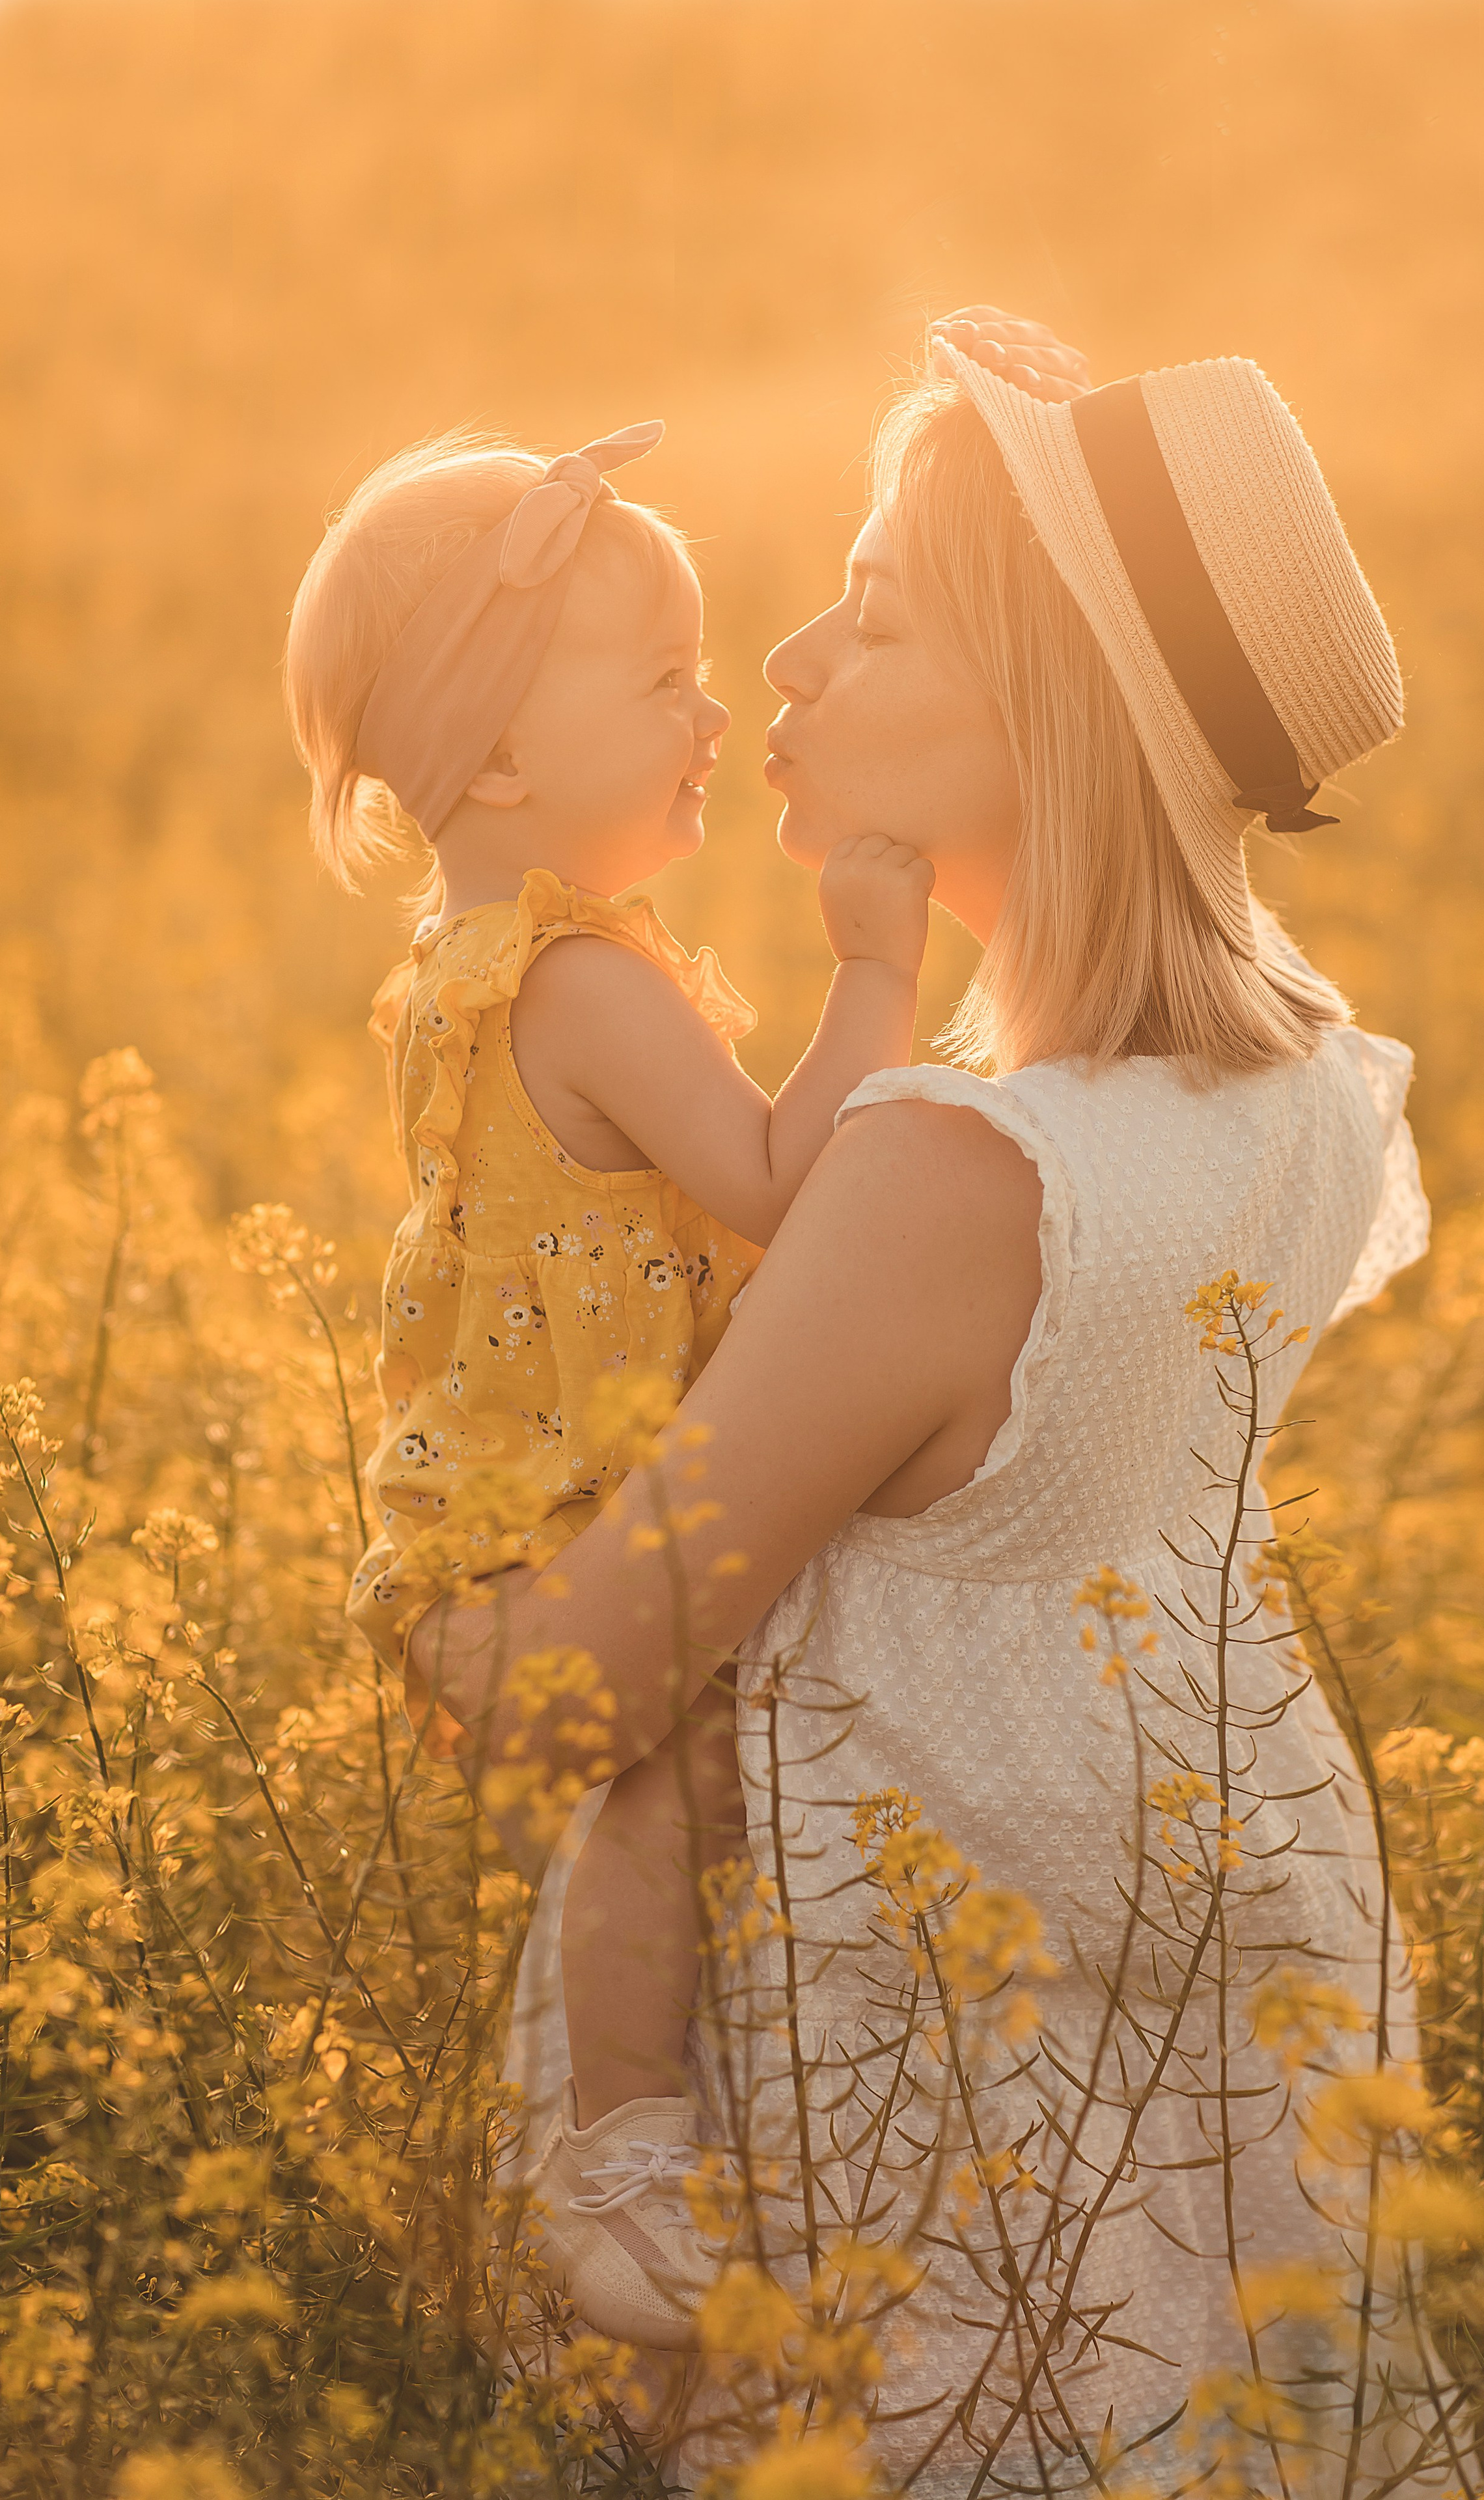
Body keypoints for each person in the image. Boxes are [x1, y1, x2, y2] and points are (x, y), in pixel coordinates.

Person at [412, 314, 1456, 2492]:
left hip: (931, 2150)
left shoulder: (943, 1175)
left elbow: (567, 1697)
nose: (779, 663)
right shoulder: (1295, 1088)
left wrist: (430, 1554)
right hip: (1201, 2081)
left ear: (1043, 706)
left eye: (872, 612)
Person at [282, 421, 934, 2348]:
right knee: (659, 1795)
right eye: (660, 680)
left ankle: (637, 2128)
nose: (717, 712)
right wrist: (879, 982)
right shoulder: (576, 978)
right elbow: (769, 1181)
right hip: (540, 1541)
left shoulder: (474, 957)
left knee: (678, 1802)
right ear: (498, 762)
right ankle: (616, 2156)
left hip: (496, 1522)